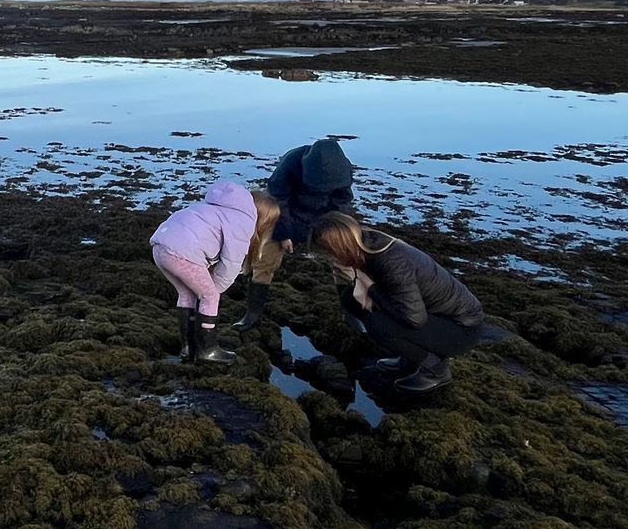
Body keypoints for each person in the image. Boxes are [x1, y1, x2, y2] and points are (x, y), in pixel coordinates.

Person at [313, 212, 486, 392]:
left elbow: (413, 318)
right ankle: (410, 358)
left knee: (378, 324)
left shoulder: (391, 262)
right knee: (350, 298)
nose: (331, 259)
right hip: (434, 316)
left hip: (461, 329)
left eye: (330, 252)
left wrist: (371, 288)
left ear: (341, 245)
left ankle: (436, 370)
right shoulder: (367, 245)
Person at [149, 179, 280, 365]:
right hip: (183, 253)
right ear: (263, 219)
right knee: (210, 296)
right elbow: (231, 262)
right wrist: (215, 290)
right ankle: (207, 350)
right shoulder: (243, 223)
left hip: (160, 246)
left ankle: (188, 348)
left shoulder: (216, 208)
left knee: (186, 293)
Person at [233, 138, 356, 330]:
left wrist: (339, 232)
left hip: (323, 216)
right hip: (286, 214)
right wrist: (284, 234)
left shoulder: (342, 168)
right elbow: (278, 200)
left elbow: (342, 202)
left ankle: (351, 316)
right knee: (265, 259)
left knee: (345, 262)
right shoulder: (291, 162)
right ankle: (252, 315)